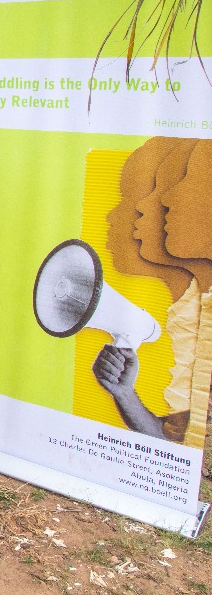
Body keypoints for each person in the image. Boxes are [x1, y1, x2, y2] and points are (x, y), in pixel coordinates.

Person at [94, 138, 212, 447]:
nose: (162, 202)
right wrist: (125, 394)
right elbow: (174, 440)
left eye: (185, 181)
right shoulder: (189, 309)